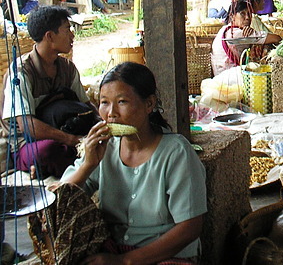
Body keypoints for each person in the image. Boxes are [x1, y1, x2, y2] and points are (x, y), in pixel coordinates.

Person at [42, 62, 207, 264]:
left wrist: (124, 261)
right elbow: (59, 199)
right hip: (112, 248)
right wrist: (88, 165)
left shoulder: (176, 153)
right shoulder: (105, 148)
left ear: (149, 104)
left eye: (121, 102)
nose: (111, 113)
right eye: (104, 102)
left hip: (164, 254)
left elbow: (190, 228)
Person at [1, 6, 92, 178]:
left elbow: (86, 105)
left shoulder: (67, 68)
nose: (72, 35)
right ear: (50, 36)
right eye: (67, 30)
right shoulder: (21, 72)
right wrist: (72, 140)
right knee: (47, 151)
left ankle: (47, 167)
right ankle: (48, 162)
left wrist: (102, 124)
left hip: (62, 130)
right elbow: (27, 125)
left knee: (96, 141)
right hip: (26, 142)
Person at [210, 0, 255, 76]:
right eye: (242, 14)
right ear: (232, 16)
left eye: (249, 13)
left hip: (221, 75)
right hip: (229, 79)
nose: (247, 17)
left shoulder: (225, 29)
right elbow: (276, 38)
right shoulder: (236, 33)